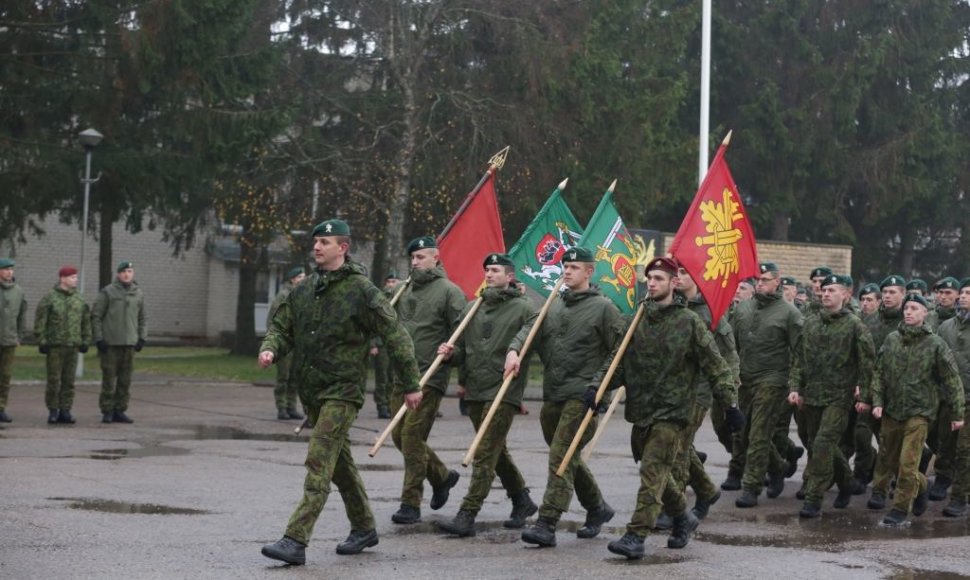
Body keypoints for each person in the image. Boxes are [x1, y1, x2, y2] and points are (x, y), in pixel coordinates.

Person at [258, 219, 422, 566]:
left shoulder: (363, 290)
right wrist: (271, 348)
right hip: (312, 391)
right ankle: (364, 527)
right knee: (339, 463)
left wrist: (411, 384)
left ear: (343, 248)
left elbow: (395, 335)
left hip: (343, 390)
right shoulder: (303, 290)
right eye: (316, 242)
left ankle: (295, 539)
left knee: (319, 457)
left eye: (325, 242)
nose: (317, 247)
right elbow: (282, 327)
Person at [601, 257, 742, 560]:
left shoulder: (689, 322)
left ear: (673, 283)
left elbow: (717, 365)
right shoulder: (636, 319)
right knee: (654, 471)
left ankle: (635, 535)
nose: (651, 283)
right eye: (649, 277)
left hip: (674, 412)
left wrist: (730, 403)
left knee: (652, 473)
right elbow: (617, 361)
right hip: (641, 409)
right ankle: (684, 518)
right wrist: (597, 390)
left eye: (659, 278)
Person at [513, 247, 623, 547]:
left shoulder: (603, 308)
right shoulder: (554, 304)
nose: (567, 271)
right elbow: (529, 330)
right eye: (565, 266)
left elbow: (620, 351)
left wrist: (600, 387)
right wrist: (514, 350)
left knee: (561, 455)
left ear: (589, 272)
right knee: (566, 454)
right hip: (554, 393)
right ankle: (598, 508)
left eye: (574, 267)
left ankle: (547, 522)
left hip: (584, 396)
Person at [437, 253, 537, 537]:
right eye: (487, 270)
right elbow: (464, 352)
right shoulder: (474, 307)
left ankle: (467, 514)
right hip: (477, 391)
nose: (489, 274)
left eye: (495, 270)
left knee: (483, 452)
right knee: (495, 450)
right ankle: (522, 500)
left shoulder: (524, 308)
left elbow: (529, 344)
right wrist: (449, 354)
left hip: (503, 390)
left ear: (509, 276)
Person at [864, 293, 964, 526]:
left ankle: (900, 510)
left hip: (920, 413)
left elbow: (951, 379)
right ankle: (921, 485)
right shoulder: (891, 340)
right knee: (892, 462)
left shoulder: (935, 344)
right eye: (907, 308)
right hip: (892, 410)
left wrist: (958, 413)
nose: (909, 312)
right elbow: (879, 373)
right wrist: (877, 401)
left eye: (915, 309)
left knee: (909, 463)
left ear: (925, 313)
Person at [388, 237, 465, 525]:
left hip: (430, 376)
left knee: (411, 438)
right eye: (413, 257)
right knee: (399, 436)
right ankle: (442, 476)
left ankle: (410, 503)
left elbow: (463, 338)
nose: (415, 262)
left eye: (421, 257)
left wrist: (451, 353)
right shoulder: (403, 290)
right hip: (403, 374)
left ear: (436, 258)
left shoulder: (449, 292)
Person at [787, 274, 875, 518]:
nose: (826, 294)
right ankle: (847, 483)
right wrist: (796, 387)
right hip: (813, 395)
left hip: (840, 397)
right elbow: (798, 360)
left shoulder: (855, 325)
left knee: (824, 444)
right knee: (818, 444)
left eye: (832, 290)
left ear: (846, 295)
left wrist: (865, 395)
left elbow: (867, 364)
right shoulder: (811, 324)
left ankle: (814, 499)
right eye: (824, 290)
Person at [730, 262, 803, 506]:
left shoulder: (789, 313)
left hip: (773, 380)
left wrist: (795, 386)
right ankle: (779, 466)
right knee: (746, 433)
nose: (760, 283)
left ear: (777, 283)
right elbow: (733, 346)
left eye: (765, 279)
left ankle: (751, 486)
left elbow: (799, 353)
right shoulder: (743, 310)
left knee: (759, 434)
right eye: (757, 279)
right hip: (746, 380)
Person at [857, 275, 906, 497]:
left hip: (897, 391)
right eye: (885, 292)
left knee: (889, 442)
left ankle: (883, 487)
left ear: (903, 294)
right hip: (870, 388)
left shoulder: (909, 320)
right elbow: (862, 356)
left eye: (892, 292)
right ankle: (866, 471)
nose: (887, 296)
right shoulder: (870, 321)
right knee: (861, 433)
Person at [35, 266, 92, 424]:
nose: (75, 279)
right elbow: (41, 320)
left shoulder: (79, 299)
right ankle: (53, 410)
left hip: (72, 346)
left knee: (69, 380)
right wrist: (42, 340)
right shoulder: (50, 298)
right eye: (72, 277)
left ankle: (65, 410)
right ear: (62, 278)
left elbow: (86, 321)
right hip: (55, 346)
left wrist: (86, 340)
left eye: (75, 277)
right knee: (54, 380)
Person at [92, 261, 146, 424]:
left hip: (129, 343)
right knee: (109, 379)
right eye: (123, 271)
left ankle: (120, 410)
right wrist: (99, 338)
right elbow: (96, 316)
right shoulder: (108, 292)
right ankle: (107, 410)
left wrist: (141, 337)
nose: (126, 274)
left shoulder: (138, 293)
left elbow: (142, 318)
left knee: (125, 380)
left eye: (129, 271)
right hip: (111, 344)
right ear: (118, 274)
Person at [937, 278, 970, 517]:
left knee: (964, 449)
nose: (965, 297)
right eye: (965, 292)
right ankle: (943, 480)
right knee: (945, 444)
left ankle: (959, 497)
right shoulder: (947, 326)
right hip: (949, 398)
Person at [268, 266, 306, 421]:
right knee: (283, 376)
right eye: (301, 277)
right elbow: (274, 319)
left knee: (295, 377)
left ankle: (292, 406)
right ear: (293, 279)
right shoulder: (284, 296)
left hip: (298, 343)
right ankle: (281, 407)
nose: (303, 280)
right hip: (285, 342)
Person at [371, 271, 402, 419]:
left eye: (394, 281)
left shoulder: (401, 297)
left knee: (393, 376)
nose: (391, 284)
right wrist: (373, 344)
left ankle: (391, 404)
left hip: (395, 343)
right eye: (389, 281)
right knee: (382, 376)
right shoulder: (379, 299)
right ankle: (381, 405)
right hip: (381, 343)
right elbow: (372, 322)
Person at [0, 258, 26, 423]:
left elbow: (21, 317)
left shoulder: (18, 291)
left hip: (9, 340)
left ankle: (1, 408)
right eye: (6, 269)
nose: (9, 272)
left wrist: (19, 336)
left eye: (11, 269)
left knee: (5, 377)